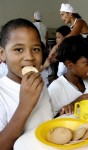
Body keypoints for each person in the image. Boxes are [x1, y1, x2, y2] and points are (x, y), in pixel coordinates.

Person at [0, 18, 53, 149]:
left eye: (36, 49)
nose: (29, 56)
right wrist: (25, 105)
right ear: (2, 54)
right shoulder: (2, 92)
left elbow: (46, 120)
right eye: (18, 49)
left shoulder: (39, 83)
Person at [48, 36, 88, 117]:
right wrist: (75, 104)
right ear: (69, 64)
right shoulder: (56, 88)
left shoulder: (86, 82)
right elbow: (49, 121)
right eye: (86, 62)